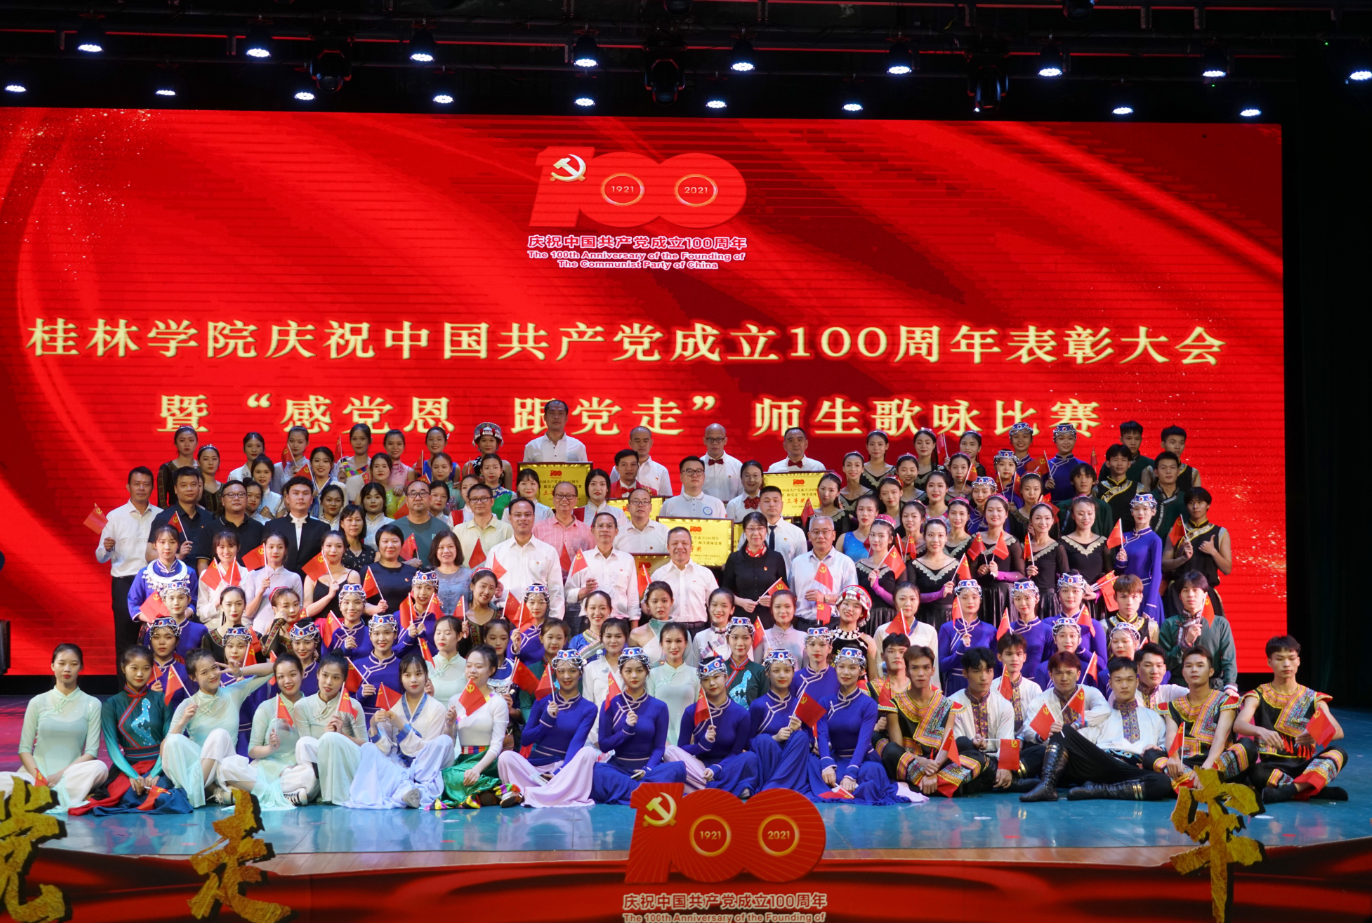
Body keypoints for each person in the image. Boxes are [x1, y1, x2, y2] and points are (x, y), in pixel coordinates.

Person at [1020, 655, 1173, 803]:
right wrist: (1065, 733)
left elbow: (1164, 747)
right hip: (1101, 764)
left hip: (1132, 770)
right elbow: (1082, 740)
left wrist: (1158, 749)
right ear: (1110, 683)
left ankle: (1099, 790)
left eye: (1129, 680)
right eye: (1118, 680)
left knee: (1163, 783)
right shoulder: (1103, 715)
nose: (1124, 685)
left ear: (1137, 681)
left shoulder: (1154, 717)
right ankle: (1047, 786)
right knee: (1061, 731)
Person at [1234, 635, 1349, 802]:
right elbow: (1239, 724)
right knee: (1256, 772)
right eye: (1280, 659)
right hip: (1272, 767)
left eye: (1291, 658)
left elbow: (1338, 731)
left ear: (1298, 661)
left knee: (1338, 753)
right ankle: (1311, 789)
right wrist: (1260, 731)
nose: (1286, 664)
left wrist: (1318, 734)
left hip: (1305, 767)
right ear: (1269, 662)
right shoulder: (1258, 694)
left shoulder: (1313, 698)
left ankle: (1287, 791)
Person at [159, 650, 274, 807]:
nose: (212, 675)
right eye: (204, 672)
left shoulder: (234, 692)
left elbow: (274, 668)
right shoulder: (187, 705)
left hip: (225, 767)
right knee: (173, 740)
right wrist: (183, 722)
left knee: (219, 735)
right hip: (199, 767)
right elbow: (166, 749)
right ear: (193, 677)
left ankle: (195, 792)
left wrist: (240, 671)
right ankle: (210, 791)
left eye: (214, 668)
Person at [1, 644, 107, 812]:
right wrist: (39, 778)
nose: (67, 669)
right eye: (61, 663)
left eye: (73, 664)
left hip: (69, 775)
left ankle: (40, 797)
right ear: (52, 666)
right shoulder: (37, 702)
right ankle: (55, 796)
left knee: (100, 768)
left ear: (81, 667)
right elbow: (24, 749)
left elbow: (91, 752)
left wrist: (59, 775)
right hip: (34, 775)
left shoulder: (92, 704)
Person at [84, 645, 189, 815]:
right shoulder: (112, 704)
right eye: (134, 668)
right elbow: (111, 745)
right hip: (128, 766)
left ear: (152, 669)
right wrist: (132, 775)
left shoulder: (162, 699)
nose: (140, 674)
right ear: (123, 668)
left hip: (160, 765)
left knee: (162, 795)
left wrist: (155, 773)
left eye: (146, 668)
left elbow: (168, 740)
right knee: (128, 795)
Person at [345, 649, 456, 810]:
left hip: (423, 768)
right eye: (407, 675)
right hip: (397, 766)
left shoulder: (437, 708)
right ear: (401, 679)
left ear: (426, 676)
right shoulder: (392, 707)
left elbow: (429, 750)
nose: (413, 679)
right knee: (369, 748)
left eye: (418, 674)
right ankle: (407, 790)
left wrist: (402, 727)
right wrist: (374, 726)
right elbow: (385, 749)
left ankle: (408, 788)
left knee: (444, 741)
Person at [807, 647, 911, 804]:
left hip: (862, 760)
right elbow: (822, 736)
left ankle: (841, 785)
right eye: (841, 667)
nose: (846, 672)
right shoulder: (825, 702)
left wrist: (851, 773)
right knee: (811, 762)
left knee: (874, 771)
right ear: (835, 668)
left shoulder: (868, 704)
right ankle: (845, 786)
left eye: (852, 668)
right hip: (836, 758)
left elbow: (864, 741)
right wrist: (826, 764)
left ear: (861, 671)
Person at [496, 649, 598, 808]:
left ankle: (529, 793)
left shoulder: (589, 708)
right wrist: (546, 722)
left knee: (588, 752)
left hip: (564, 768)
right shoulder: (543, 701)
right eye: (561, 671)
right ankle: (548, 792)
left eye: (572, 671)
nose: (566, 676)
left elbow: (576, 744)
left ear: (580, 674)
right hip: (535, 768)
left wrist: (559, 773)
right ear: (555, 674)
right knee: (506, 757)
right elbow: (526, 739)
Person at [876, 645, 980, 798]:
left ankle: (921, 785)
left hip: (937, 765)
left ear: (933, 670)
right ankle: (943, 785)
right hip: (909, 762)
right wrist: (921, 762)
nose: (921, 673)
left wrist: (933, 770)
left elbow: (946, 745)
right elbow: (898, 748)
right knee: (889, 749)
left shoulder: (948, 705)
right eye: (915, 668)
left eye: (925, 668)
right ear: (907, 671)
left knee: (968, 747)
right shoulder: (894, 705)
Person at [588, 648, 688, 803]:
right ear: (621, 673)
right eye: (628, 671)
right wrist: (626, 731)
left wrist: (647, 770)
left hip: (648, 769)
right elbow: (604, 745)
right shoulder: (611, 704)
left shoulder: (659, 707)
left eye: (639, 670)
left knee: (678, 768)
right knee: (598, 772)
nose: (634, 675)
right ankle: (648, 793)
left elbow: (659, 747)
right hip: (619, 768)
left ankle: (631, 793)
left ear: (647, 672)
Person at [1159, 646, 1256, 789]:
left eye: (1200, 666)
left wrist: (1208, 766)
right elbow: (1171, 738)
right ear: (1183, 673)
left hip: (1217, 763)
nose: (1194, 670)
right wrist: (1173, 756)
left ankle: (1192, 784)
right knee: (1151, 755)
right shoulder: (1173, 706)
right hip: (1186, 764)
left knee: (1247, 746)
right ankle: (1202, 785)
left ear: (1211, 672)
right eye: (1189, 666)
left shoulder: (1226, 701)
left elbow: (1220, 738)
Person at [666, 659, 760, 797]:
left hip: (728, 767)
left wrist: (717, 768)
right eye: (706, 679)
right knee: (670, 751)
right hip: (700, 770)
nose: (711, 683)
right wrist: (702, 745)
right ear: (701, 683)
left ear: (725, 677)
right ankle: (725, 790)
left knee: (751, 757)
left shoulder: (741, 714)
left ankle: (705, 790)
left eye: (716, 677)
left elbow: (736, 752)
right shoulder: (691, 712)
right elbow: (682, 750)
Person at [435, 645, 511, 808]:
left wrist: (477, 769)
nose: (472, 671)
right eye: (469, 666)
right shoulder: (456, 700)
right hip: (463, 759)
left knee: (450, 775)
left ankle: (490, 786)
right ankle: (492, 791)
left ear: (491, 670)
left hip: (487, 760)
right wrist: (449, 724)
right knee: (441, 775)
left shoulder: (497, 702)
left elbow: (497, 745)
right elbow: (449, 742)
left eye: (479, 666)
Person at [98, 466, 162, 655]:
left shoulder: (161, 515)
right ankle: (123, 677)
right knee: (125, 641)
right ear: (128, 487)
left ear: (152, 488)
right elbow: (100, 556)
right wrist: (106, 548)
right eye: (137, 484)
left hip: (154, 584)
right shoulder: (114, 516)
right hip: (124, 584)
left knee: (157, 638)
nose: (141, 488)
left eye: (146, 484)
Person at [748, 651, 823, 792]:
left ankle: (775, 788)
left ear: (793, 672)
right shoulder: (757, 705)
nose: (782, 675)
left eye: (787, 670)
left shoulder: (803, 703)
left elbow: (812, 742)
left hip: (795, 764)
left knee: (801, 736)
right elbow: (748, 742)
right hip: (768, 764)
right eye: (776, 671)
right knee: (764, 739)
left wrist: (799, 730)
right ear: (767, 673)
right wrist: (774, 738)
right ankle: (776, 786)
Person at [948, 647, 1019, 793]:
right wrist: (973, 743)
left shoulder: (1004, 705)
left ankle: (987, 781)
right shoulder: (952, 703)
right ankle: (1012, 783)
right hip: (968, 761)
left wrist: (1005, 767)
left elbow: (1006, 742)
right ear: (965, 673)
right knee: (963, 743)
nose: (984, 677)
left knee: (1036, 752)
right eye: (977, 671)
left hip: (995, 760)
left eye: (988, 671)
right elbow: (958, 746)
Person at [490, 498, 566, 619]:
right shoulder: (496, 552)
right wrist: (496, 596)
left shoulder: (548, 551)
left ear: (534, 517)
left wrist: (554, 621)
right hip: (504, 617)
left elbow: (556, 591)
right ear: (510, 518)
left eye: (527, 514)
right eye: (518, 515)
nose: (523, 518)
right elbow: (489, 589)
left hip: (538, 618)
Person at [1158, 572, 1237, 689]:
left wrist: (1230, 686)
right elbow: (1164, 663)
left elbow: (1229, 659)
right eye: (1185, 590)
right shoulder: (1169, 624)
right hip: (1179, 687)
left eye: (1195, 590)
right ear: (1180, 596)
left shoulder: (1220, 624)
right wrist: (1185, 644)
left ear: (1205, 594)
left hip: (1212, 687)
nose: (1190, 595)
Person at [1162, 487, 1233, 618]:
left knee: (1207, 630)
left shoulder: (1220, 533)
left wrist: (1213, 552)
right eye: (1191, 503)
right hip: (1179, 594)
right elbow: (1164, 565)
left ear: (1208, 505)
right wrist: (1183, 558)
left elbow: (1227, 569)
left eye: (1200, 502)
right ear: (1186, 506)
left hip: (1206, 594)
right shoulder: (1176, 531)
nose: (1195, 506)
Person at [721, 512, 788, 629]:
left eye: (760, 528)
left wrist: (773, 600)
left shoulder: (776, 558)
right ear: (744, 531)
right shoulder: (734, 558)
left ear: (766, 530)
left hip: (770, 620)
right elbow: (725, 592)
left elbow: (785, 592)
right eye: (751, 529)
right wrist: (741, 602)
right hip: (741, 620)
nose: (756, 533)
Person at [790, 515, 857, 631]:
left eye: (825, 532)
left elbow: (852, 597)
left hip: (834, 623)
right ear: (809, 536)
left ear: (833, 535)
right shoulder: (797, 563)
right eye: (816, 532)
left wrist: (825, 598)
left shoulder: (845, 562)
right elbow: (791, 596)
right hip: (803, 624)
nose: (820, 536)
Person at [651, 528, 718, 631]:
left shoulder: (705, 573)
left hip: (698, 630)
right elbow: (648, 605)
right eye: (675, 543)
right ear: (668, 547)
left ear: (691, 547)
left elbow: (715, 605)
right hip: (668, 630)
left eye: (684, 543)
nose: (680, 547)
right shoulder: (658, 575)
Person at [971, 496, 1025, 621]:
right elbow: (968, 573)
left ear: (1006, 514)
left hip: (1003, 597)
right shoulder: (975, 538)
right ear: (985, 513)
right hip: (979, 597)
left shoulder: (1013, 542)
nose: (994, 514)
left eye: (999, 510)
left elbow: (1021, 574)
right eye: (990, 510)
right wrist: (979, 573)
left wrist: (999, 574)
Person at [264, 476, 330, 576]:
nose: (300, 497)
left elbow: (325, 559)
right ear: (287, 498)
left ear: (311, 499)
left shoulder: (322, 528)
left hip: (311, 580)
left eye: (305, 493)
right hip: (279, 580)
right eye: (296, 493)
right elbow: (264, 558)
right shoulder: (272, 526)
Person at [150, 466, 214, 569]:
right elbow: (149, 554)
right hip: (174, 575)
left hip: (204, 576)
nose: (189, 489)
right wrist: (177, 556)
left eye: (193, 485)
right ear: (175, 489)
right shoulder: (164, 518)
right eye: (184, 485)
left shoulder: (209, 517)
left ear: (199, 487)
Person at [938, 581, 996, 694]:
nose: (970, 601)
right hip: (956, 684)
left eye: (974, 597)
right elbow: (942, 666)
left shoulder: (990, 630)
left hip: (982, 684)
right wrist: (959, 651)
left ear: (980, 600)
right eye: (964, 598)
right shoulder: (947, 628)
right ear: (957, 600)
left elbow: (995, 666)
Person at [1113, 495, 1164, 621]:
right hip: (1126, 594)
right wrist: (1120, 563)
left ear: (1153, 511)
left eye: (1145, 509)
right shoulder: (1124, 537)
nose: (1140, 513)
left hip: (1145, 593)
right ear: (1132, 512)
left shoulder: (1154, 539)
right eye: (1136, 509)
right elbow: (1118, 572)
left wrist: (1151, 605)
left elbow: (1157, 573)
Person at [533, 481, 595, 581]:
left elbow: (592, 561)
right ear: (553, 499)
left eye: (569, 496)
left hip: (577, 585)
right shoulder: (538, 528)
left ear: (576, 500)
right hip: (546, 583)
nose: (564, 499)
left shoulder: (587, 531)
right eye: (560, 495)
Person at [648, 623, 700, 739]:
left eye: (678, 641)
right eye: (668, 641)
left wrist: (693, 735)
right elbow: (649, 713)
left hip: (689, 740)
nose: (674, 646)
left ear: (686, 643)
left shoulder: (696, 674)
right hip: (661, 741)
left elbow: (700, 710)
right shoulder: (652, 674)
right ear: (661, 644)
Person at [242, 533, 303, 631]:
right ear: (264, 549)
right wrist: (261, 591)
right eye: (271, 547)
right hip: (259, 631)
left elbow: (299, 610)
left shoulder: (294, 577)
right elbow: (248, 612)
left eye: (280, 547)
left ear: (285, 550)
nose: (275, 551)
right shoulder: (253, 575)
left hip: (284, 631)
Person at [994, 631, 1044, 739]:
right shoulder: (991, 688)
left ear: (1024, 657)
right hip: (998, 742)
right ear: (999, 657)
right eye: (1009, 654)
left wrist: (1022, 738)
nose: (1014, 659)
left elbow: (1036, 721)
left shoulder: (1034, 688)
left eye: (1018, 654)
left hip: (1027, 741)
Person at [453, 483, 513, 568]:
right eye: (474, 499)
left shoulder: (507, 529)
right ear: (469, 503)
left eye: (484, 498)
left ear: (492, 501)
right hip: (467, 576)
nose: (479, 502)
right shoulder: (458, 530)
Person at [854, 518, 899, 631]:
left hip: (890, 621)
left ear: (890, 539)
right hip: (865, 621)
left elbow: (900, 602)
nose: (875, 539)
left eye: (881, 536)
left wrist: (877, 589)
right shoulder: (859, 566)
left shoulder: (897, 566)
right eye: (872, 535)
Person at [913, 518, 959, 626]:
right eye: (930, 535)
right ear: (924, 537)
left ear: (946, 538)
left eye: (940, 535)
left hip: (950, 621)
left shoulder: (957, 564)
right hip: (922, 620)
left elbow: (964, 595)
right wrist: (938, 594)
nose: (935, 540)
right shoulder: (913, 565)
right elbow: (911, 596)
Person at [1061, 498, 1112, 595]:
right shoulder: (1063, 543)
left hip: (1098, 597)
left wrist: (1098, 594)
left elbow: (1109, 574)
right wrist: (1080, 584)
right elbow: (1062, 573)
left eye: (1090, 513)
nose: (1086, 518)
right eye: (1080, 514)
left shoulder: (1103, 542)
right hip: (1073, 597)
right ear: (1073, 515)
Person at [208, 479, 264, 565]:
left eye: (241, 495)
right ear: (222, 501)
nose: (236, 498)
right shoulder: (210, 528)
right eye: (231, 495)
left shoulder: (258, 528)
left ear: (246, 499)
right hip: (220, 573)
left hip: (253, 573)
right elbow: (203, 561)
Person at [1021, 502, 1068, 605]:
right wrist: (1026, 573)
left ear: (1052, 521)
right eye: (1038, 518)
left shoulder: (1057, 547)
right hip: (1025, 600)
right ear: (1031, 521)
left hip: (1048, 600)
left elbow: (1065, 577)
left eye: (1047, 518)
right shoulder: (1023, 546)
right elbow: (1017, 573)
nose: (1043, 522)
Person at [1007, 581, 1052, 682]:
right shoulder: (1008, 628)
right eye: (1018, 599)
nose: (1023, 603)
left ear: (1037, 598)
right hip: (1010, 683)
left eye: (1027, 598)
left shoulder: (1047, 630)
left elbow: (1049, 664)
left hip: (1038, 684)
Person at [609, 427, 674, 496]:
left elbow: (667, 499)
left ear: (651, 443)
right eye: (637, 441)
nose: (642, 444)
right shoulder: (617, 469)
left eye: (645, 441)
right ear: (630, 443)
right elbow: (610, 493)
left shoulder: (661, 470)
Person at [392, 480, 444, 564]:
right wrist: (404, 565)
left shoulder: (442, 528)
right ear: (406, 500)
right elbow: (384, 562)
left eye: (422, 493)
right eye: (413, 494)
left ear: (430, 499)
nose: (418, 498)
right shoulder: (393, 528)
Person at [1056, 464, 1113, 539]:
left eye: (1088, 476)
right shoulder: (1061, 507)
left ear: (1094, 481)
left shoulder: (1103, 507)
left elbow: (1109, 538)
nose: (1083, 481)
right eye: (1079, 476)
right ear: (1072, 481)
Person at [523, 399, 589, 462]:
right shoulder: (532, 446)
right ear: (545, 417)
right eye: (552, 413)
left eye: (560, 413)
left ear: (566, 418)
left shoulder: (578, 446)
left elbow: (585, 470)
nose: (556, 417)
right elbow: (525, 470)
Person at [722, 618, 767, 705]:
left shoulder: (760, 671)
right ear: (727, 639)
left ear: (752, 640)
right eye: (735, 637)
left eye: (745, 638)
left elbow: (764, 705)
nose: (740, 643)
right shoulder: (719, 670)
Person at [615, 487, 670, 555]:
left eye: (645, 502)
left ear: (650, 507)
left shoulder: (663, 530)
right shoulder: (618, 534)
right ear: (628, 507)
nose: (640, 505)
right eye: (636, 501)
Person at [156, 426, 200, 509]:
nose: (187, 444)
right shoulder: (166, 468)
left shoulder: (202, 467)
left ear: (196, 443)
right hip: (173, 515)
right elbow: (161, 501)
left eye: (191, 440)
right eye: (182, 440)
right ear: (176, 443)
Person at [1043, 423, 1087, 504]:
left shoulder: (1083, 465)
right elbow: (1037, 492)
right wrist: (1045, 487)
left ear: (1075, 440)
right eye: (1061, 438)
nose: (1066, 442)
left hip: (1078, 507)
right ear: (1055, 440)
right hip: (1055, 508)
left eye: (1070, 438)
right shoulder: (1047, 465)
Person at [1095, 444, 1139, 526]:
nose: (1119, 463)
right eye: (1115, 460)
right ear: (1108, 463)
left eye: (1123, 460)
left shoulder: (1138, 488)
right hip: (1105, 532)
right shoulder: (1097, 489)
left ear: (1129, 464)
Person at [700, 424, 743, 502]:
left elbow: (742, 496)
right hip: (702, 509)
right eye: (711, 439)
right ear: (705, 441)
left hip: (730, 509)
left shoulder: (737, 466)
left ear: (725, 441)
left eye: (719, 439)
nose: (715, 443)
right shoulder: (696, 466)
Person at [463, 423, 514, 488]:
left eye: (491, 440)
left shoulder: (505, 465)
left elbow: (509, 491)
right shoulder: (469, 466)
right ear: (478, 443)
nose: (488, 444)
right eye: (484, 440)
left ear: (497, 443)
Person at [838, 495, 877, 561]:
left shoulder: (880, 539)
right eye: (861, 509)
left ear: (876, 512)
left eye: (869, 510)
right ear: (856, 511)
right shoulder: (843, 538)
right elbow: (836, 564)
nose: (865, 514)